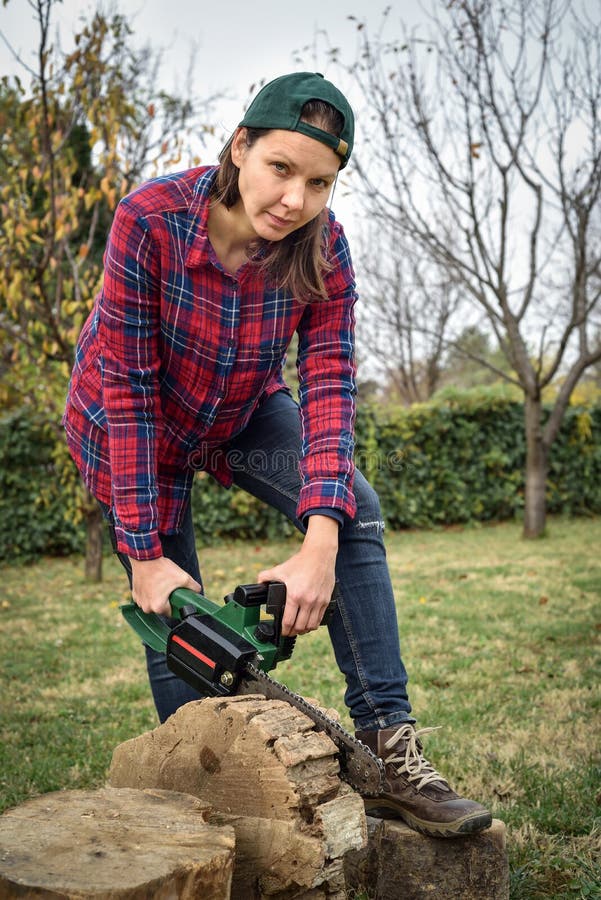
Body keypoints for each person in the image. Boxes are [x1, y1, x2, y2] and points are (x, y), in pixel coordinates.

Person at [63, 72, 491, 838]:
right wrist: (143, 551)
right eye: (280, 169)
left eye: (319, 182)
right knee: (176, 613)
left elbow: (328, 386)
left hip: (239, 411)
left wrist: (320, 539)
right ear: (240, 148)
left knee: (352, 508)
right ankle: (209, 789)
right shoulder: (150, 220)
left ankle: (389, 749)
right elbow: (126, 389)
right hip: (131, 423)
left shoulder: (323, 249)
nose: (295, 198)